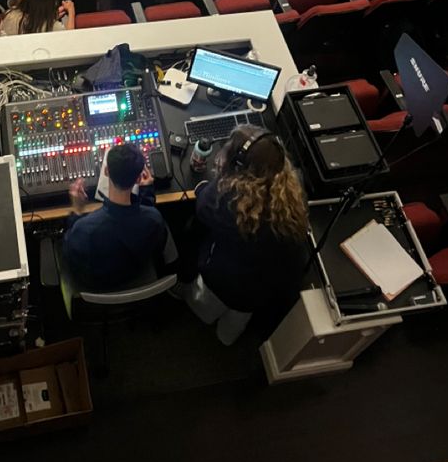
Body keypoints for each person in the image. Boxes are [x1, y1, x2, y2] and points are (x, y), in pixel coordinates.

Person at [174, 126, 309, 345]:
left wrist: (214, 182)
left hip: (224, 282)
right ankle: (225, 341)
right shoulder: (292, 193)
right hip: (262, 291)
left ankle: (204, 330)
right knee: (233, 326)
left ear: (238, 166)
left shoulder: (223, 201)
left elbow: (203, 207)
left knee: (206, 307)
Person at [62, 143, 171, 291]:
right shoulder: (154, 218)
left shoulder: (84, 230)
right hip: (136, 276)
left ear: (106, 171)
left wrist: (77, 211)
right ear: (139, 179)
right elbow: (155, 244)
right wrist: (146, 193)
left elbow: (69, 253)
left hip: (98, 288)